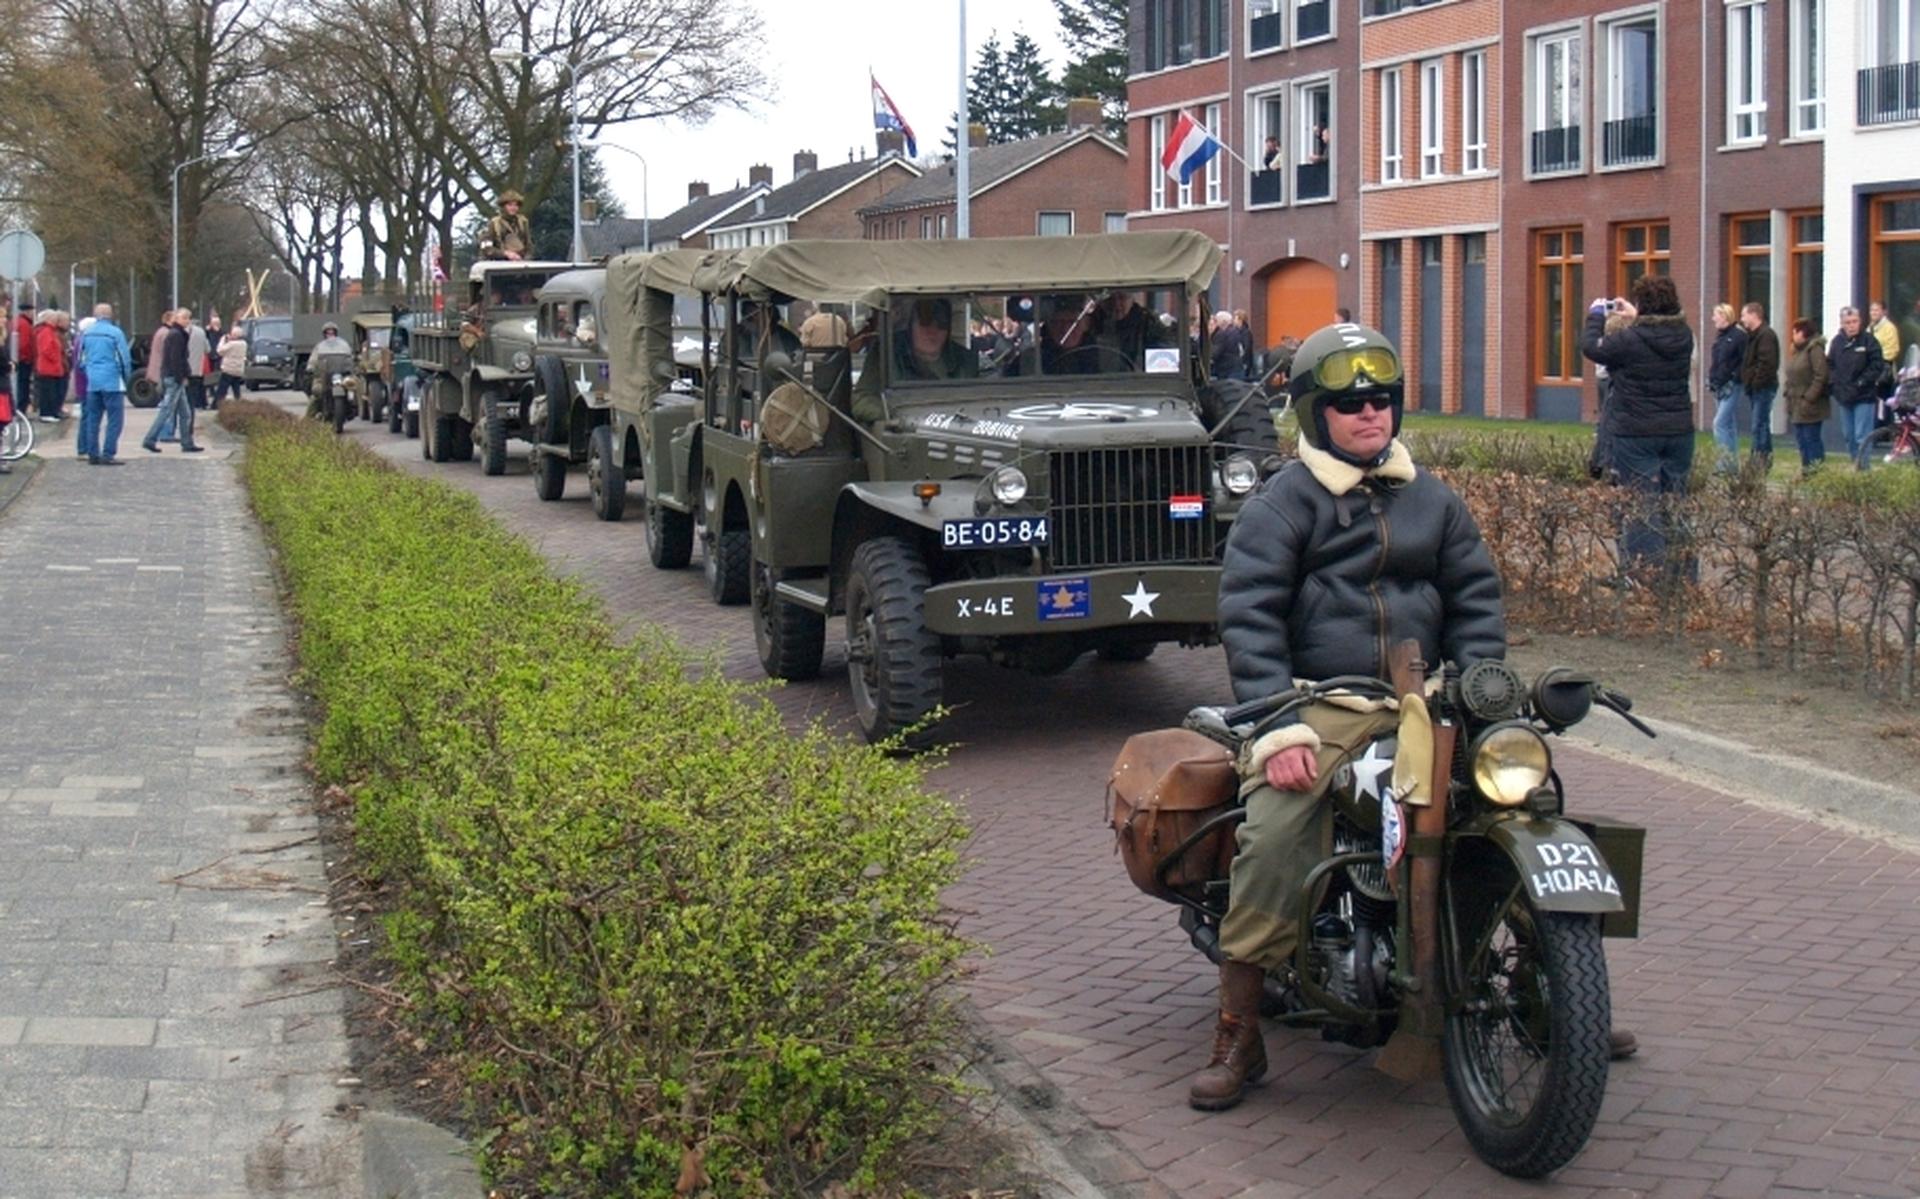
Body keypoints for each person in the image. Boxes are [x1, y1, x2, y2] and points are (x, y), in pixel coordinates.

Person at [1199, 324, 1509, 1112]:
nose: (1370, 414)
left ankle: (1554, 977)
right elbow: (1249, 615)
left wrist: (1480, 689)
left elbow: (1475, 600)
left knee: (1518, 792)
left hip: (1420, 703)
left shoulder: (1432, 498)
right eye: (1348, 403)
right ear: (1313, 413)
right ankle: (1238, 1025)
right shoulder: (1282, 503)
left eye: (1381, 401)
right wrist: (1275, 727)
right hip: (1316, 702)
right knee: (1276, 829)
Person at [1580, 274, 1696, 582]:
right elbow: (1659, 329)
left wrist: (1595, 316)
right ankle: (1684, 575)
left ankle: (1647, 576)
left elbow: (1591, 347)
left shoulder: (1628, 341)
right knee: (1676, 500)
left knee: (1642, 503)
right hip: (1679, 430)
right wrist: (1637, 315)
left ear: (1643, 305)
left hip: (1637, 431)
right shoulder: (1684, 335)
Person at [852, 297, 975, 423]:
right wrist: (892, 416)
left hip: (959, 425)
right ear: (911, 326)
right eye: (925, 323)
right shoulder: (888, 354)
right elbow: (861, 400)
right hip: (903, 431)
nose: (932, 332)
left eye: (941, 325)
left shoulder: (965, 359)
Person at [76, 302, 131, 465]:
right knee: (115, 420)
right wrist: (125, 378)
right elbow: (124, 359)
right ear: (110, 315)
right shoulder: (115, 333)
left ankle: (92, 453)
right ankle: (108, 453)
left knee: (93, 419)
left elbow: (80, 359)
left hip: (93, 382)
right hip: (112, 381)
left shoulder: (86, 333)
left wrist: (89, 372)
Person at [1828, 307, 1885, 465]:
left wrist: (1862, 382)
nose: (1852, 325)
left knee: (1862, 436)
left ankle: (1863, 471)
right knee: (1849, 436)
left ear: (1860, 322)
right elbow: (1830, 365)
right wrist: (1834, 384)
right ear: (1842, 323)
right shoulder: (1837, 342)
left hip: (1864, 396)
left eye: (1855, 321)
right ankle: (1855, 466)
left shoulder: (1869, 341)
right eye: (1848, 322)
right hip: (1844, 396)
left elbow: (1877, 365)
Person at [142, 308, 202, 453]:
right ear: (176, 319)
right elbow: (176, 358)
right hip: (174, 378)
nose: (187, 321)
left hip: (174, 376)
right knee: (167, 410)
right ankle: (150, 439)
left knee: (185, 412)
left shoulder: (176, 334)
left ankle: (187, 442)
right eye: (184, 318)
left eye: (188, 318)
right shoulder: (176, 335)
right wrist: (180, 376)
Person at [1783, 319, 1829, 476]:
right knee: (1801, 439)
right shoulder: (1797, 351)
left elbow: (1821, 375)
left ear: (1803, 332)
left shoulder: (1814, 349)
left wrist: (1809, 397)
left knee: (1811, 438)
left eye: (1795, 332)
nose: (1792, 336)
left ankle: (1816, 471)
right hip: (1795, 401)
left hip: (1810, 403)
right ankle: (1806, 470)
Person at [1737, 302, 1780, 469]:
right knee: (1761, 424)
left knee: (1759, 425)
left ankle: (1759, 460)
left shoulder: (1765, 335)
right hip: (1756, 387)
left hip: (1763, 388)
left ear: (1754, 315)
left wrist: (1755, 382)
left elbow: (1767, 363)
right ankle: (1763, 458)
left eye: (1743, 315)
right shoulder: (1753, 336)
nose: (1742, 319)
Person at [1707, 303, 1749, 471]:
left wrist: (1734, 377)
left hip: (1732, 385)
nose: (1713, 318)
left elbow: (1743, 360)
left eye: (1715, 315)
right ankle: (1732, 465)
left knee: (1720, 423)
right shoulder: (1721, 337)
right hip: (1719, 385)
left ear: (1724, 316)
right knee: (1728, 425)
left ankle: (1724, 464)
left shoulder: (1738, 336)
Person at [305, 321, 354, 421]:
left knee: (352, 388)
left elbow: (350, 357)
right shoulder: (319, 347)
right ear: (324, 334)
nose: (330, 335)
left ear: (336, 333)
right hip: (323, 376)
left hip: (341, 374)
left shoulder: (343, 345)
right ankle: (308, 418)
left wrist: (352, 365)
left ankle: (353, 408)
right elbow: (314, 358)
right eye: (328, 333)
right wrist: (310, 367)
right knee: (317, 392)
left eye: (332, 332)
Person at [33, 309, 71, 422]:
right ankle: (46, 413)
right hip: (48, 367)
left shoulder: (49, 331)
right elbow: (46, 349)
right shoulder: (46, 332)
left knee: (52, 391)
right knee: (48, 392)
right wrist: (56, 358)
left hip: (52, 367)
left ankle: (51, 412)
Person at [481, 190, 533, 261]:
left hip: (520, 262)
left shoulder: (523, 222)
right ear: (503, 206)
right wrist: (505, 253)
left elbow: (528, 245)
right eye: (510, 205)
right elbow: (486, 247)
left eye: (516, 205)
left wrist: (525, 259)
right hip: (499, 264)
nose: (513, 208)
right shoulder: (494, 223)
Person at [215, 321, 249, 405]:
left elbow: (219, 351)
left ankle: (217, 403)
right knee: (236, 388)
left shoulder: (231, 344)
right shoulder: (244, 344)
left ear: (234, 335)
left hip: (229, 369)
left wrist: (222, 340)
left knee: (222, 388)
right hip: (238, 369)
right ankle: (238, 402)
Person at [12, 300, 35, 411]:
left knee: (20, 385)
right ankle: (21, 409)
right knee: (22, 385)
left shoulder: (17, 322)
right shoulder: (25, 324)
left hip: (20, 359)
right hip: (24, 360)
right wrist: (26, 358)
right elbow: (24, 344)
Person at [185, 314, 211, 410]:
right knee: (196, 389)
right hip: (197, 367)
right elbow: (207, 349)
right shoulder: (201, 332)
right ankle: (198, 405)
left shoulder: (181, 332)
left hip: (184, 368)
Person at [1868, 300, 1901, 365]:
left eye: (1876, 310)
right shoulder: (1869, 328)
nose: (1873, 313)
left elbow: (1891, 352)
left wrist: (1875, 359)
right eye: (1871, 310)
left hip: (1883, 367)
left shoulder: (1890, 328)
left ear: (1884, 312)